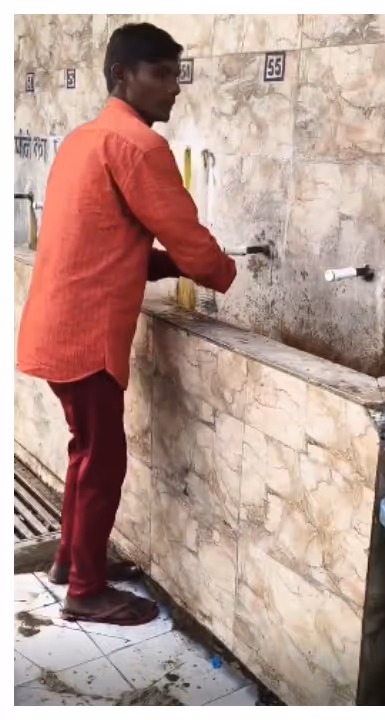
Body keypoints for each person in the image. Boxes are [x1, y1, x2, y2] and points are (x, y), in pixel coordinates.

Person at [17, 23, 237, 625]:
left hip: (59, 327)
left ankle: (69, 561)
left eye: (176, 74)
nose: (174, 88)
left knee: (86, 452)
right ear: (123, 77)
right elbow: (190, 242)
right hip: (85, 336)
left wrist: (169, 265)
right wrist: (223, 272)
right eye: (161, 74)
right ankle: (85, 591)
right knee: (103, 459)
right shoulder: (138, 146)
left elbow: (108, 237)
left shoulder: (86, 139)